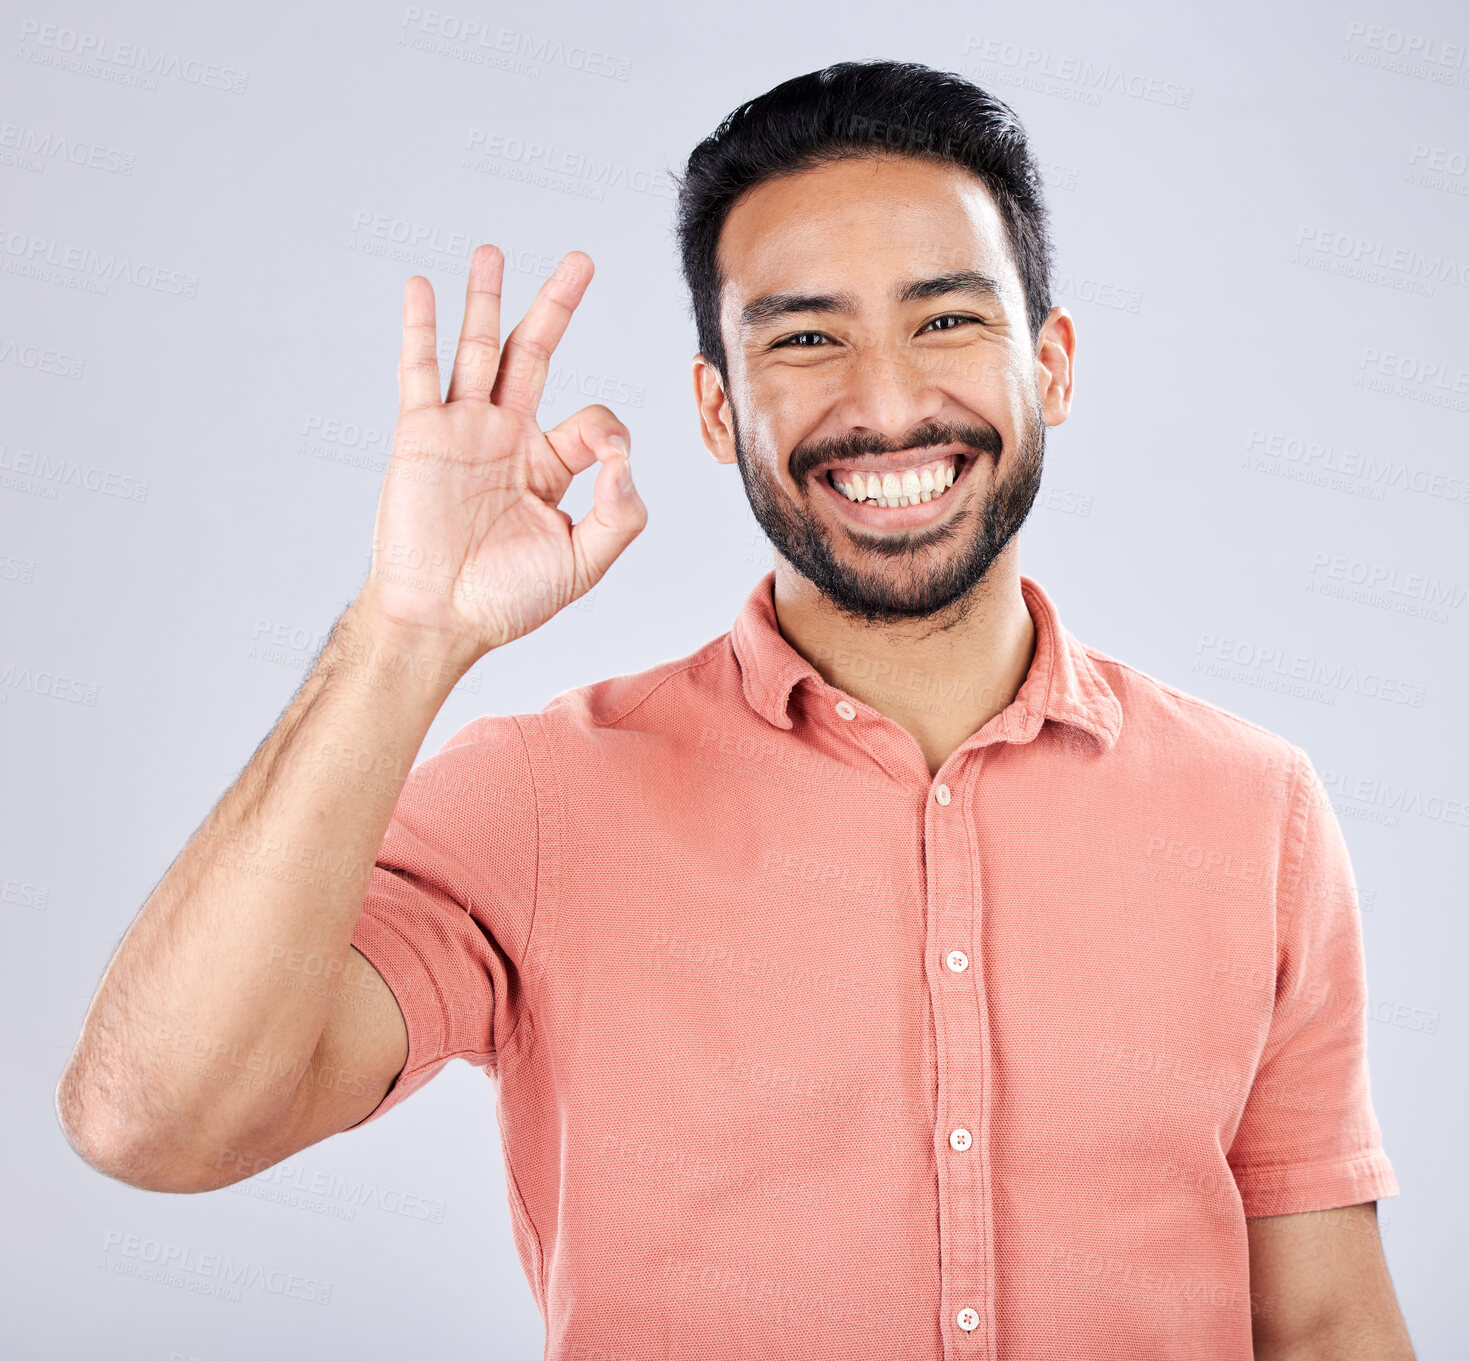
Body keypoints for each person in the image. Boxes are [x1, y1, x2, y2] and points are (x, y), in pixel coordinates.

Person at [57, 60, 1414, 1359]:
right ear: (716, 408)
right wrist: (403, 631)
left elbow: (1321, 1327)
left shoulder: (1252, 808)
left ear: (1050, 363)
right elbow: (151, 1123)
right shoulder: (539, 796)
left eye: (946, 318)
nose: (884, 403)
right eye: (806, 338)